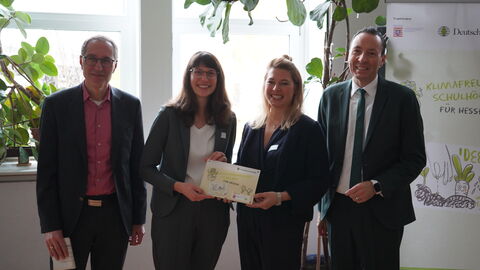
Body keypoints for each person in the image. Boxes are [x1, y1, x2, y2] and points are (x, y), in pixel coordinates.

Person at [318, 27, 426, 269]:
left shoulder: (403, 99)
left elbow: (414, 159)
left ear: (382, 59)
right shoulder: (329, 97)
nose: (362, 59)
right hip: (339, 208)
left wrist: (376, 185)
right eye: (357, 51)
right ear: (347, 55)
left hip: (382, 210)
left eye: (371, 53)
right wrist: (322, 209)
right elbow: (322, 159)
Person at [36, 36, 147, 270]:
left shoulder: (130, 106)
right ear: (81, 61)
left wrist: (138, 219)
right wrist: (50, 225)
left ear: (115, 65)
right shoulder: (56, 105)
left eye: (106, 60)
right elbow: (46, 172)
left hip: (115, 217)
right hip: (69, 219)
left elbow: (135, 167)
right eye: (92, 59)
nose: (99, 66)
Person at [140, 51, 236, 270]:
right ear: (189, 76)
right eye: (198, 72)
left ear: (218, 78)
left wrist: (224, 162)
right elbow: (145, 167)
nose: (204, 79)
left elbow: (227, 164)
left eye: (210, 73)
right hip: (174, 210)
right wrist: (178, 186)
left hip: (212, 213)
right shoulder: (169, 116)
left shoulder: (228, 119)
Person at [235, 55, 330, 269]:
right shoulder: (252, 127)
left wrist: (279, 197)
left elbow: (320, 180)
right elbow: (242, 171)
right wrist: (223, 170)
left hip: (283, 223)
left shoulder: (308, 130)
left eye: (284, 83)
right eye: (271, 82)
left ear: (295, 88)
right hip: (249, 220)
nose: (275, 88)